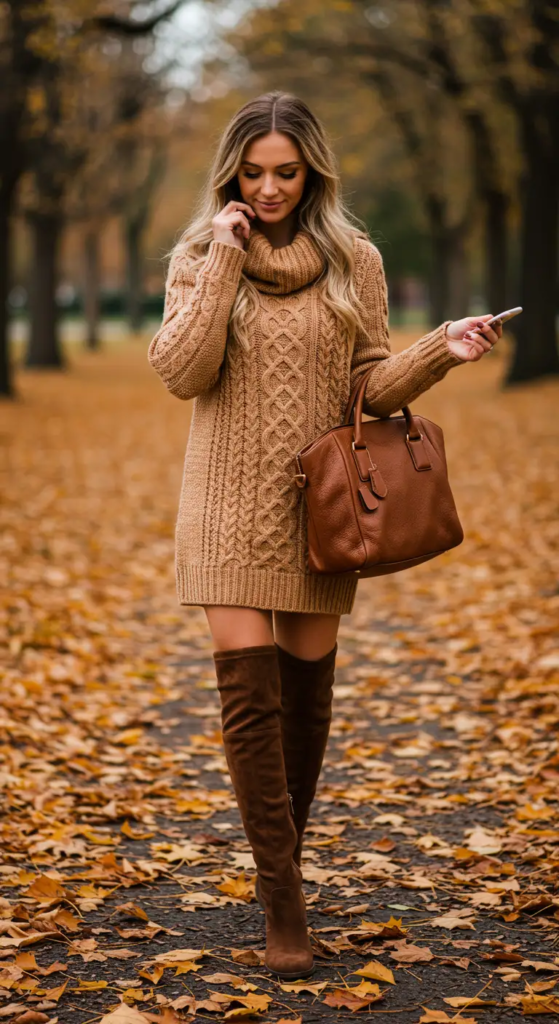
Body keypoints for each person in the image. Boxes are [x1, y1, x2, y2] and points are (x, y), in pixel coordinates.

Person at [147, 90, 502, 979]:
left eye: (286, 172)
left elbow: (370, 390)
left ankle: (281, 870)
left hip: (321, 509)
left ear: (311, 173)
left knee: (304, 706)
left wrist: (437, 353)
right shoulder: (198, 255)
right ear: (232, 172)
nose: (268, 189)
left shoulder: (356, 261)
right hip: (224, 504)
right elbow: (181, 371)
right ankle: (285, 907)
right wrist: (225, 258)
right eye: (253, 172)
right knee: (248, 701)